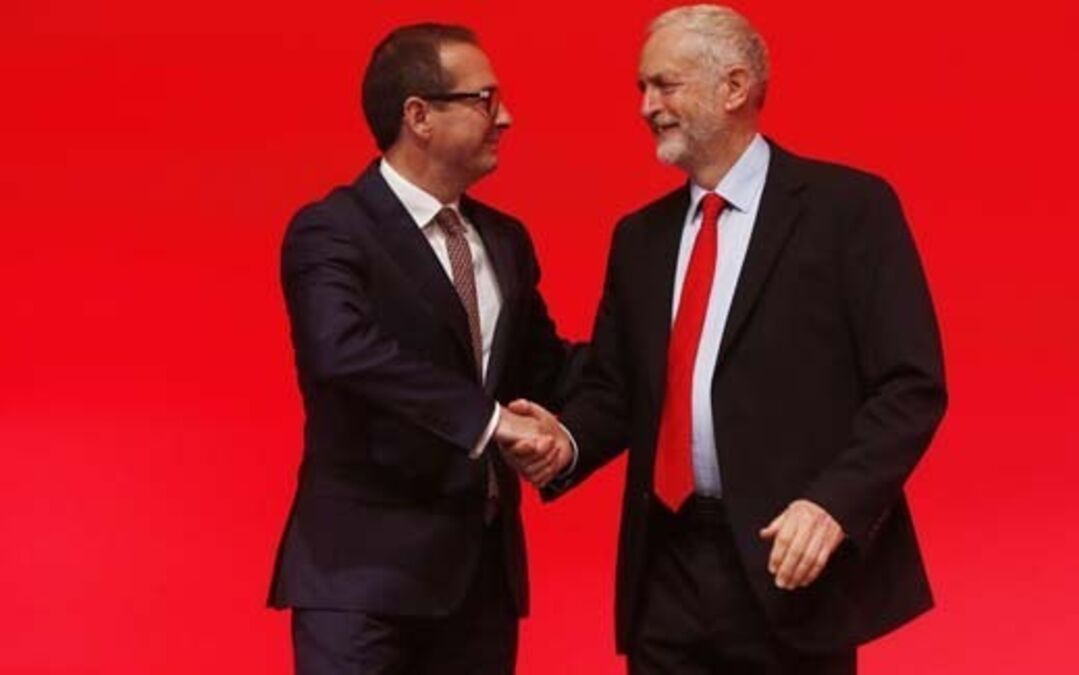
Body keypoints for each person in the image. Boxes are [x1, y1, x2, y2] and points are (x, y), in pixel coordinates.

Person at [509, 5, 948, 673]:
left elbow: (910, 386)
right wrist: (565, 441)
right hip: (665, 567)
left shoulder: (848, 210)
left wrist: (833, 505)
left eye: (665, 84)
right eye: (641, 88)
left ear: (734, 87)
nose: (646, 106)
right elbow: (616, 390)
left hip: (789, 564)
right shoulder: (639, 237)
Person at [267, 23, 573, 675]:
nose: (506, 118)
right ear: (419, 115)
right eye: (485, 100)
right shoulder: (333, 229)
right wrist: (490, 422)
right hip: (361, 583)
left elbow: (544, 369)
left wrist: (656, 354)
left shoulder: (506, 240)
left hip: (480, 584)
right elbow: (341, 350)